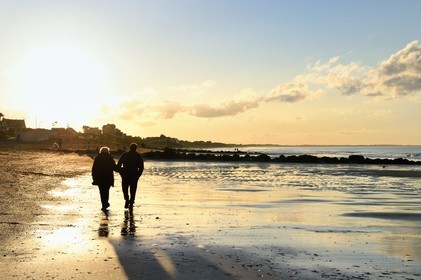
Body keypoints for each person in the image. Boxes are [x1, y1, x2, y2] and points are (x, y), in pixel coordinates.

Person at [117, 143, 144, 211]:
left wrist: (121, 173)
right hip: (134, 174)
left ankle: (127, 199)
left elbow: (118, 165)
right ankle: (131, 202)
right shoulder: (138, 156)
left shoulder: (124, 155)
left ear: (130, 147)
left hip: (125, 174)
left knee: (125, 189)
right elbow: (141, 167)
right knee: (133, 189)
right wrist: (138, 175)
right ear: (136, 148)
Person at [92, 147, 117, 211]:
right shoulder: (110, 158)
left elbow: (94, 169)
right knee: (106, 191)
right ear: (108, 151)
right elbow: (114, 167)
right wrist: (122, 170)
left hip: (100, 178)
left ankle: (104, 204)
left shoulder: (97, 158)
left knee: (101, 191)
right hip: (108, 177)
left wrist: (94, 178)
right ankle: (105, 203)